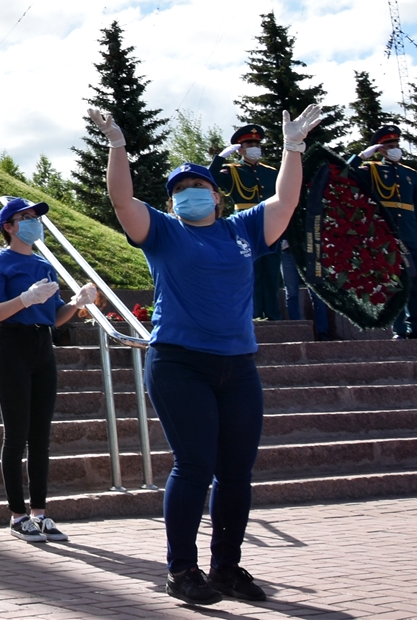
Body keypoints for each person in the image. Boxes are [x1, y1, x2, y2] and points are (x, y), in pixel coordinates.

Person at [95, 101, 323, 606]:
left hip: (238, 365)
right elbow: (122, 200)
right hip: (179, 362)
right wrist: (118, 147)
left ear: (217, 196)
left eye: (197, 187)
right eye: (178, 190)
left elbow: (284, 202)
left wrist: (291, 151)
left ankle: (226, 568)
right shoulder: (163, 232)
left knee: (237, 472)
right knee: (194, 466)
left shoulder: (241, 231)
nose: (188, 195)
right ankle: (181, 570)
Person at [0, 198, 99, 545]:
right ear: (9, 227)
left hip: (42, 346)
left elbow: (55, 316)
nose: (33, 222)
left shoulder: (45, 265)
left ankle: (40, 514)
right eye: (25, 218)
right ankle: (17, 515)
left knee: (41, 436)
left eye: (35, 218)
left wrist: (77, 303)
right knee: (16, 434)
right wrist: (24, 300)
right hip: (11, 343)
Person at [351, 124, 417, 339]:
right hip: (384, 235)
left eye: (396, 144)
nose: (394, 148)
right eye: (388, 145)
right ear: (380, 149)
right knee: (392, 283)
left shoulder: (409, 174)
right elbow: (343, 172)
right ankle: (399, 329)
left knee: (413, 281)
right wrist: (362, 156)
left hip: (409, 235)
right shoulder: (371, 169)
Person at [211, 124, 290, 320]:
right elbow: (208, 179)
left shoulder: (271, 172)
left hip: (270, 224)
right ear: (240, 148)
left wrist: (285, 233)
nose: (254, 146)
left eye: (256, 143)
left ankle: (274, 317)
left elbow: (283, 200)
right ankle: (252, 316)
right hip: (244, 227)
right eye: (249, 143)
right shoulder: (232, 171)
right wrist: (220, 158)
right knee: (250, 271)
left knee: (272, 273)